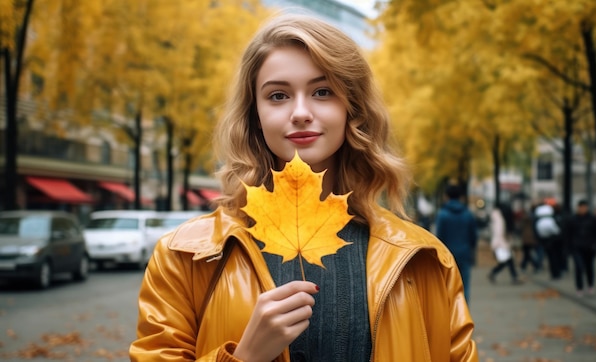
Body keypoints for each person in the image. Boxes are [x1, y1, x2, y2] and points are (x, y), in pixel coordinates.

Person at [129, 14, 477, 361]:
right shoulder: (187, 257)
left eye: (322, 92)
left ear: (352, 108)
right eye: (278, 96)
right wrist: (246, 356)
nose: (300, 112)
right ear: (255, 115)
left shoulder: (424, 260)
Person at [435, 184, 478, 304]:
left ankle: (450, 316)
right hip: (465, 254)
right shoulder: (468, 214)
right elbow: (473, 236)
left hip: (447, 256)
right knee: (465, 287)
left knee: (448, 286)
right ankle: (464, 317)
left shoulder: (442, 215)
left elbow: (439, 238)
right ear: (461, 197)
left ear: (446, 196)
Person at [564, 200, 596, 296]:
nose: (582, 209)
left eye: (584, 207)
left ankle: (590, 285)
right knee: (579, 267)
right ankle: (579, 287)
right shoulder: (573, 220)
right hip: (577, 247)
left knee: (589, 267)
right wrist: (568, 248)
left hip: (589, 247)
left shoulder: (592, 219)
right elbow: (568, 235)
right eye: (581, 207)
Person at [488, 203, 523, 285]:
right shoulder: (500, 219)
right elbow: (499, 233)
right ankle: (514, 277)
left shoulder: (498, 218)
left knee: (507, 261)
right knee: (508, 260)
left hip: (501, 243)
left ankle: (494, 273)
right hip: (501, 244)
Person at [534, 203, 563, 279]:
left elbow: (539, 233)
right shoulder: (551, 221)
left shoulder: (539, 222)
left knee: (552, 258)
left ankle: (555, 273)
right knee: (554, 258)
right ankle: (556, 273)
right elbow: (557, 231)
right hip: (552, 242)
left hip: (547, 242)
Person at [519, 206, 540, 273]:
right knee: (527, 254)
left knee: (527, 254)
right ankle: (524, 266)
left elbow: (520, 228)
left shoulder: (524, 220)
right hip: (530, 239)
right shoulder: (532, 220)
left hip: (526, 240)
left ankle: (532, 265)